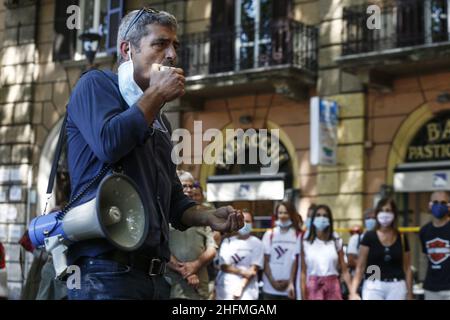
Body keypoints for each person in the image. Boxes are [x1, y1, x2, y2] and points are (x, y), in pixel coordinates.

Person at [65, 8, 243, 300]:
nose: (172, 54)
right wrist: (157, 95)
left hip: (154, 279)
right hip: (104, 272)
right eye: (160, 44)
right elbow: (109, 143)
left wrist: (209, 217)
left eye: (175, 46)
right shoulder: (95, 84)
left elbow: (173, 200)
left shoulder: (159, 120)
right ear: (127, 49)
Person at [166, 171, 217, 299]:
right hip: (173, 283)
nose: (189, 190)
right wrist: (185, 271)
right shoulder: (166, 214)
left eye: (191, 186)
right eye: (184, 186)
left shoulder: (201, 216)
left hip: (199, 286)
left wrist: (195, 265)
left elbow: (212, 248)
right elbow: (161, 247)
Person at [349, 198, 413, 300]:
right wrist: (353, 292)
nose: (384, 214)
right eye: (381, 211)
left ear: (394, 214)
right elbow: (360, 267)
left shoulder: (401, 237)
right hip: (373, 284)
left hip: (397, 286)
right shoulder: (369, 236)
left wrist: (410, 294)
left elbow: (407, 268)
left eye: (388, 210)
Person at [297, 205, 352, 300]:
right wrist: (303, 295)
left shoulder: (335, 239)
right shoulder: (305, 241)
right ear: (313, 218)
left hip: (333, 287)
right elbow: (303, 272)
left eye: (325, 215)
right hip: (313, 288)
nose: (321, 218)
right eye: (318, 215)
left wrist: (352, 292)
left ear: (329, 219)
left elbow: (344, 269)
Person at [216, 209, 263, 300]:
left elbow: (253, 269)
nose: (244, 224)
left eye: (248, 221)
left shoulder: (257, 243)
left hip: (247, 292)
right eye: (242, 221)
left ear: (252, 223)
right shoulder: (227, 241)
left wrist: (240, 288)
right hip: (226, 290)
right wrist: (244, 272)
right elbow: (224, 266)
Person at [262, 201, 301, 300]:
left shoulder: (298, 235)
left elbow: (297, 262)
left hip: (289, 290)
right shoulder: (269, 234)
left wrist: (289, 281)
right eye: (280, 213)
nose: (283, 216)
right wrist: (273, 282)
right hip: (269, 289)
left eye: (286, 213)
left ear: (291, 214)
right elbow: (265, 261)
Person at [419, 191, 450, 300]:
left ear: (448, 206)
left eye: (443, 202)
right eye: (435, 202)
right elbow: (425, 256)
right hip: (431, 288)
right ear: (430, 205)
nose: (439, 205)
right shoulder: (424, 231)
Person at [347, 208, 376, 273]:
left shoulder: (382, 240)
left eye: (374, 218)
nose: (371, 220)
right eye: (368, 218)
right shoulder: (355, 239)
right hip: (361, 279)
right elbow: (351, 261)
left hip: (377, 279)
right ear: (364, 221)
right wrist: (372, 268)